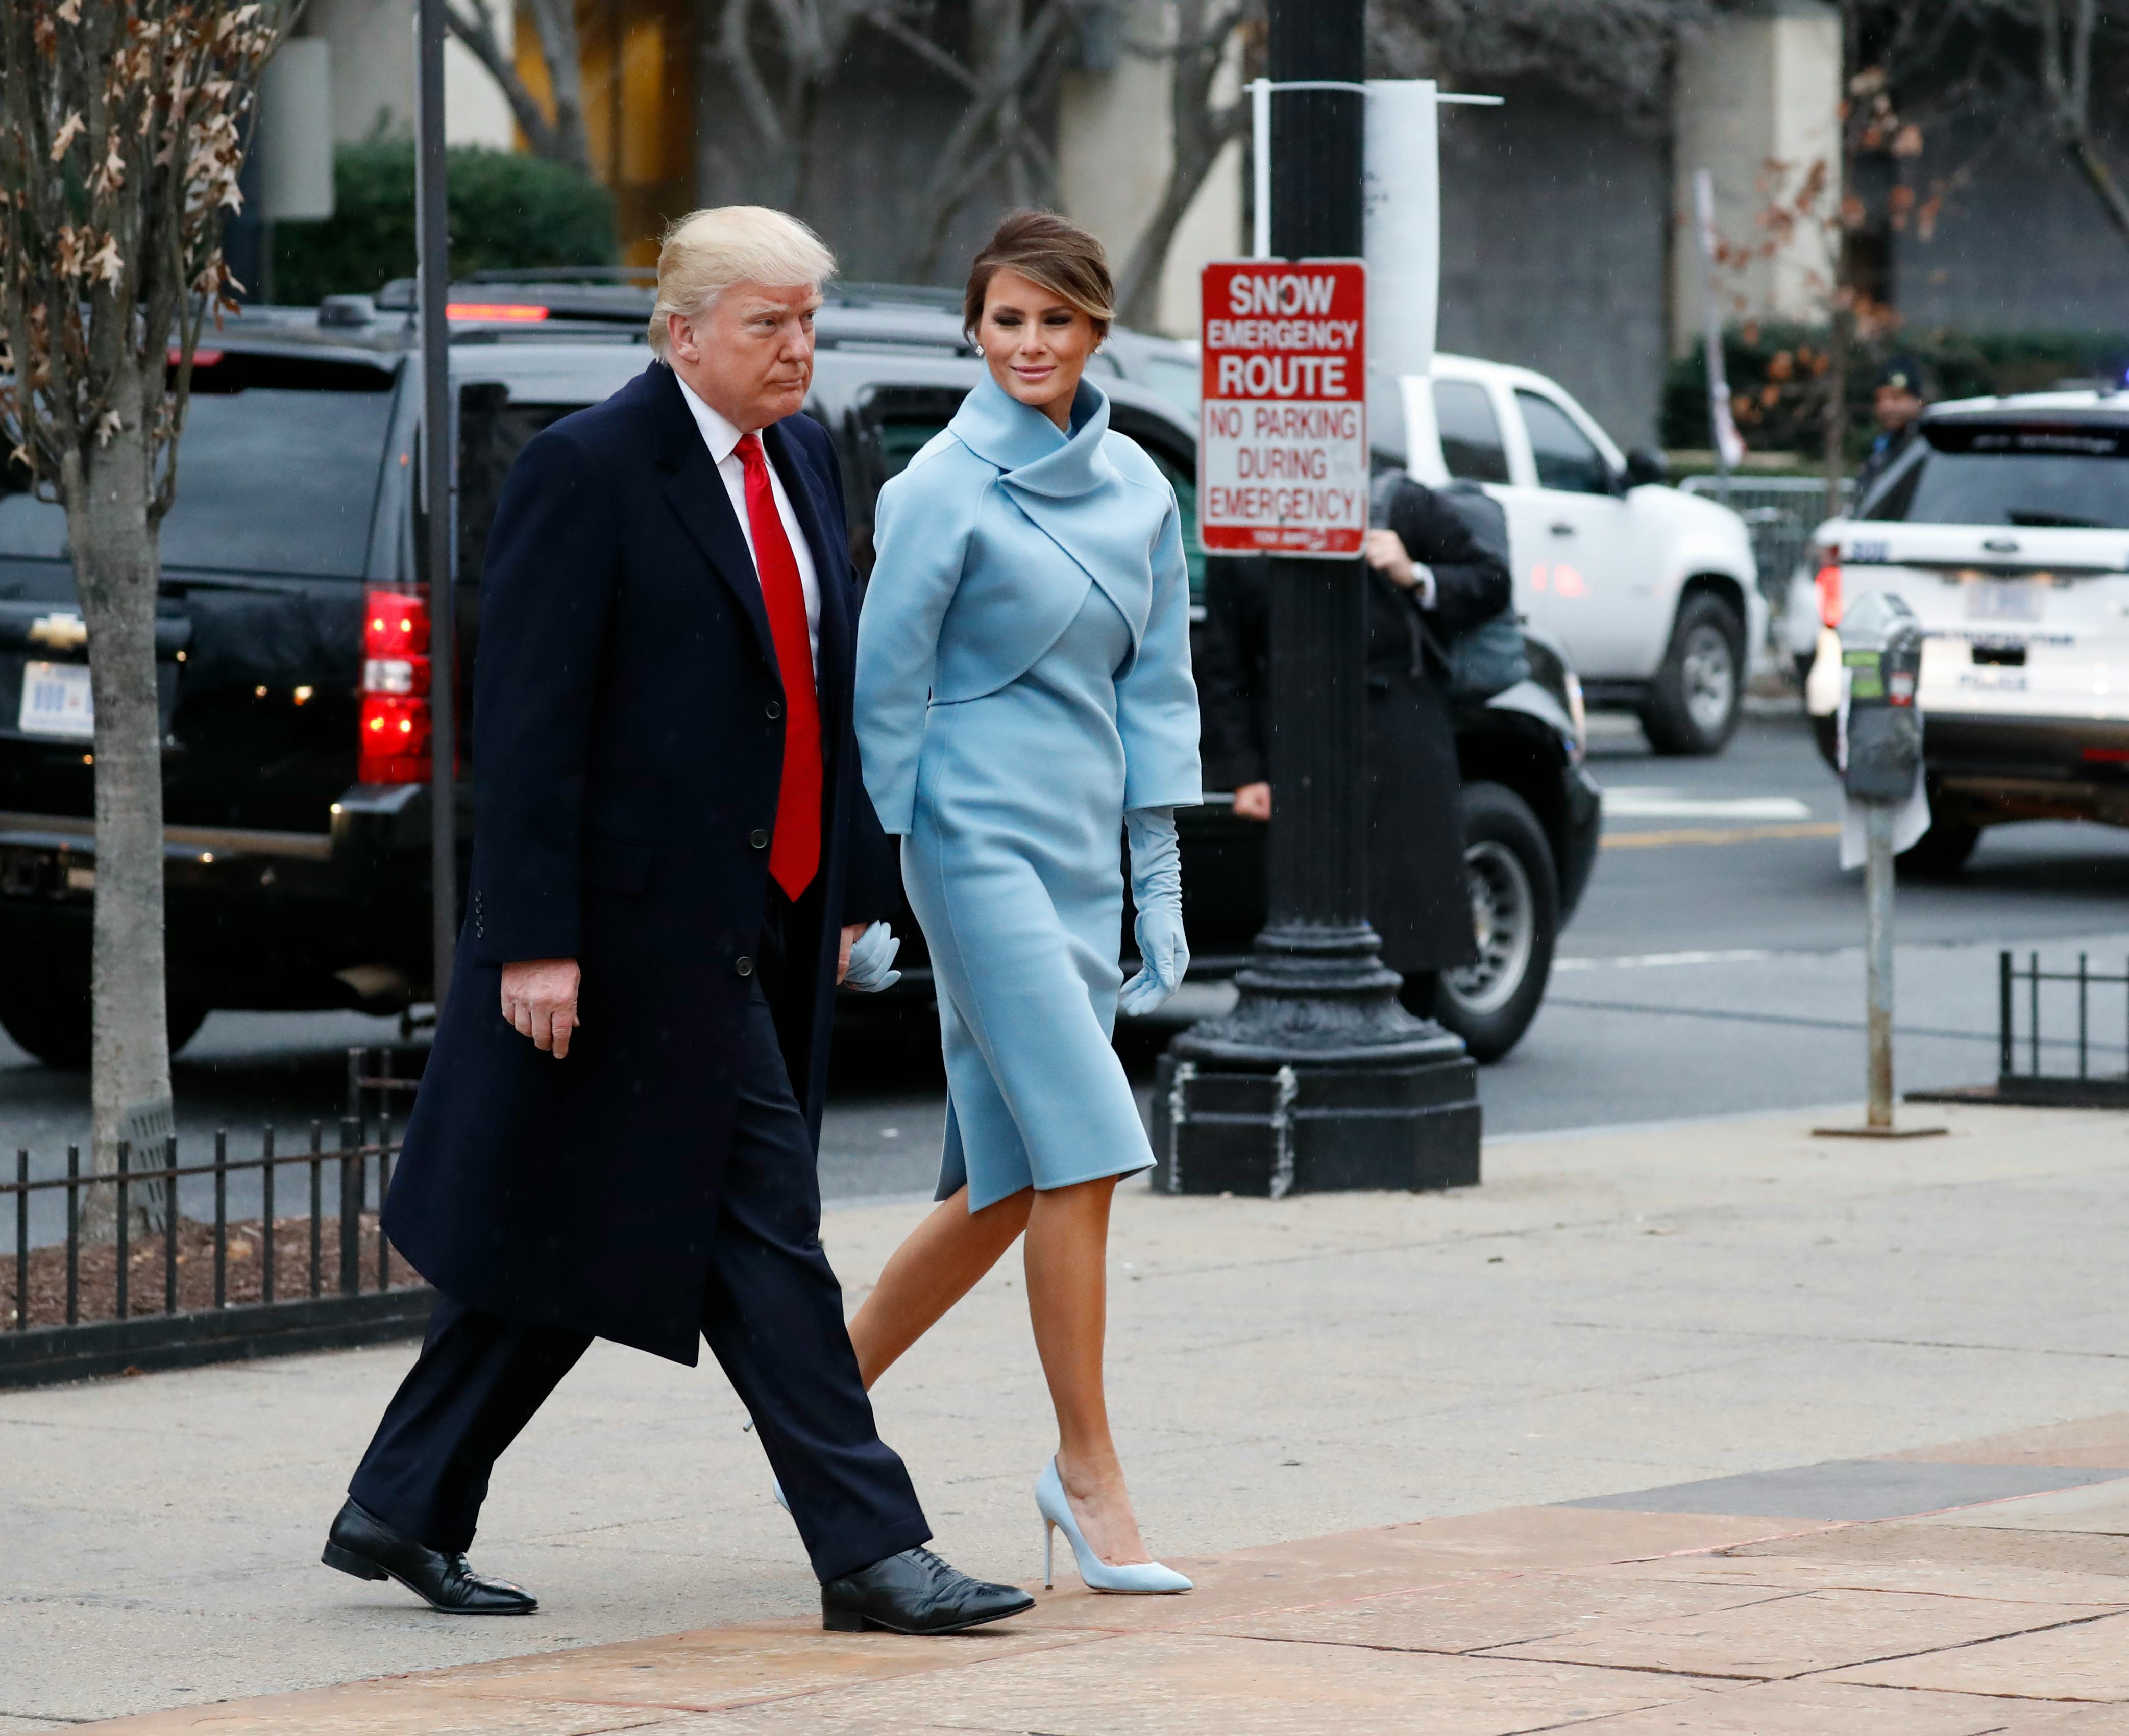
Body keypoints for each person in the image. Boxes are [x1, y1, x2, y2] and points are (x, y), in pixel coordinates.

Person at [321, 206, 1033, 1640]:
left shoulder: (806, 457)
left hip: (761, 921)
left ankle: (396, 1505)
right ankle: (872, 1550)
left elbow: (814, 692)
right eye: (768, 324)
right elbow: (527, 728)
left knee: (585, 1228)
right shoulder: (587, 472)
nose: (798, 351)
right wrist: (533, 939)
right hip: (635, 940)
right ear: (681, 332)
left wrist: (836, 894)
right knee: (767, 1241)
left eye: (808, 323)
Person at [850, 210, 1201, 1595]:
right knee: (1088, 1147)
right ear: (975, 330)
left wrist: (1156, 874)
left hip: (1076, 850)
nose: (1030, 344)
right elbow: (884, 694)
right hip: (967, 840)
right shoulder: (938, 486)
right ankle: (1086, 1466)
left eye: (1056, 321)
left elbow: (1156, 690)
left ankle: (816, 1397)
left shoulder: (1139, 491)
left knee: (1004, 1186)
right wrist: (878, 883)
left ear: (1096, 329)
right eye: (1006, 320)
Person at [1198, 476, 1511, 1016]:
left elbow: (1491, 581)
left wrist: (1416, 575)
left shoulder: (1394, 501)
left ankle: (1409, 1041)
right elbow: (1226, 666)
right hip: (1296, 741)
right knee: (1309, 926)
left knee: (1410, 926)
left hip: (1399, 729)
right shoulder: (1243, 521)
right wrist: (1245, 773)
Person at [1856, 355, 1930, 498]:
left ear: (1918, 402)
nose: (1886, 406)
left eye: (1896, 397)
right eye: (1880, 398)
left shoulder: (1930, 446)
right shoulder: (1883, 445)